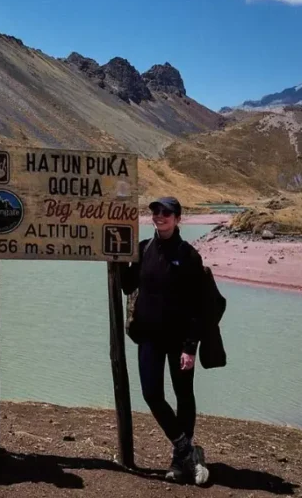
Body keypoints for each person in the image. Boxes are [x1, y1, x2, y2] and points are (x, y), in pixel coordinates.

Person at [119, 197, 210, 485]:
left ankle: (178, 459)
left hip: (180, 340)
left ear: (178, 218)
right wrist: (118, 257)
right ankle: (187, 450)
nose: (160, 216)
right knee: (151, 394)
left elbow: (200, 307)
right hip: (149, 337)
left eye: (166, 213)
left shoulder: (189, 255)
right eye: (156, 212)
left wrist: (190, 347)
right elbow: (127, 285)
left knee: (183, 396)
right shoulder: (143, 249)